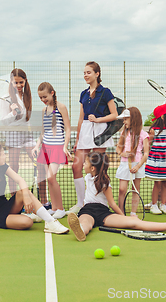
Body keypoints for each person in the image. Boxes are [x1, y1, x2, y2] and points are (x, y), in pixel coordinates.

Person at [67, 152, 166, 242]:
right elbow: (87, 198)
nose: (83, 165)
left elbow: (112, 204)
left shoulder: (104, 183)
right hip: (87, 210)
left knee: (133, 222)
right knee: (85, 222)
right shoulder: (87, 177)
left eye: (85, 163)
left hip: (103, 213)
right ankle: (81, 231)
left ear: (92, 168)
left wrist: (122, 217)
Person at [69, 61, 118, 215]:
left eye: (88, 72)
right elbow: (80, 117)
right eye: (84, 72)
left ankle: (98, 202)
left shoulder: (106, 92)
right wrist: (77, 140)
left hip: (100, 132)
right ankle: (81, 202)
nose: (85, 75)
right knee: (76, 167)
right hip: (85, 130)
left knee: (97, 170)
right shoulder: (83, 94)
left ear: (97, 74)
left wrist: (98, 120)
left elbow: (115, 115)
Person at [32, 82, 71, 219]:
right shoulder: (44, 111)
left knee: (50, 177)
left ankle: (60, 208)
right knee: (49, 179)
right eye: (40, 98)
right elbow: (43, 131)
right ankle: (54, 208)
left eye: (45, 97)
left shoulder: (61, 107)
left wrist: (65, 146)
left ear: (52, 93)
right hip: (45, 147)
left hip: (57, 147)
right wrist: (37, 146)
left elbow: (67, 129)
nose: (43, 100)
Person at [2, 69, 38, 198]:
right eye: (15, 82)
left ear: (25, 81)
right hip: (13, 133)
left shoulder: (27, 96)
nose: (18, 85)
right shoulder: (6, 98)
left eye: (21, 82)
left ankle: (44, 200)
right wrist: (13, 113)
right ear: (11, 82)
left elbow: (27, 118)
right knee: (14, 167)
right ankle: (13, 198)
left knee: (38, 161)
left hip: (26, 133)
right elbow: (4, 121)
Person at [115, 107, 150, 215]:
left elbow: (146, 153)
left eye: (126, 119)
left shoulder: (143, 134)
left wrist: (138, 166)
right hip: (125, 164)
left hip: (137, 165)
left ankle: (133, 213)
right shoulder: (124, 133)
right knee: (122, 189)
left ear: (133, 119)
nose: (124, 122)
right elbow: (118, 148)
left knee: (135, 189)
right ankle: (121, 212)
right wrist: (122, 154)